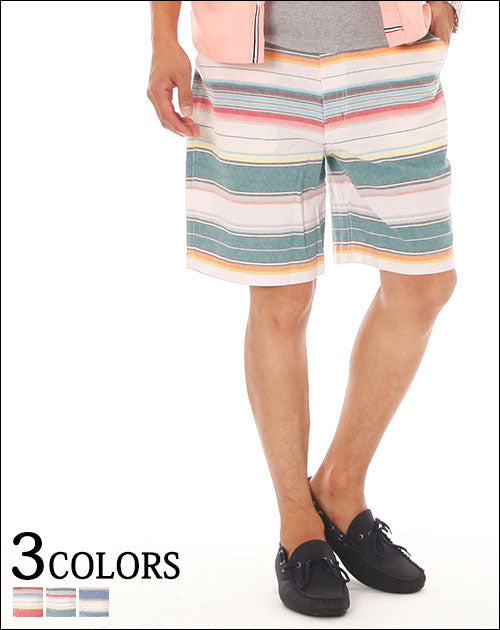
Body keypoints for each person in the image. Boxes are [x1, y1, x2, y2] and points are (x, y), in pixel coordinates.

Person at [148, 0, 461, 617]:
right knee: (281, 295)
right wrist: (163, 38)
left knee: (425, 284)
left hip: (391, 58)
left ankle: (341, 484)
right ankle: (298, 520)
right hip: (253, 69)